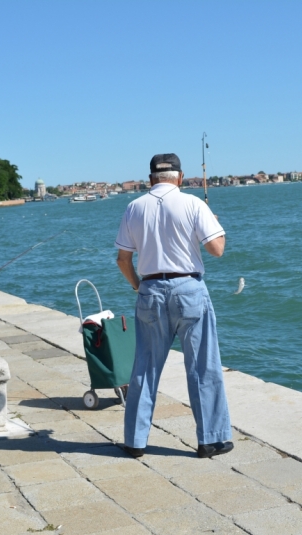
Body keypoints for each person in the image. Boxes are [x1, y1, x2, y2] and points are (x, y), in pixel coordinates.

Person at [115, 153, 234, 459]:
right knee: (202, 367)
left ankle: (135, 441)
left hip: (150, 289)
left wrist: (138, 286)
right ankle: (210, 440)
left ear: (151, 179)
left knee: (145, 368)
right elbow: (216, 250)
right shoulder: (194, 204)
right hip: (189, 290)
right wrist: (216, 227)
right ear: (180, 178)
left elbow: (123, 260)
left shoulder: (134, 208)